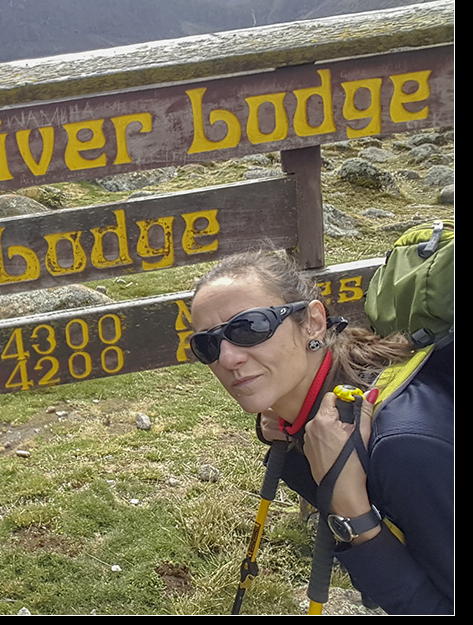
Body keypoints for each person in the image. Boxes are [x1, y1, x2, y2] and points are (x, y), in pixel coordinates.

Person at [189, 252, 453, 615]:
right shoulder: (316, 414)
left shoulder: (403, 448)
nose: (227, 358)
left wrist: (353, 515)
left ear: (313, 322)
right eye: (208, 344)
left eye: (249, 327)